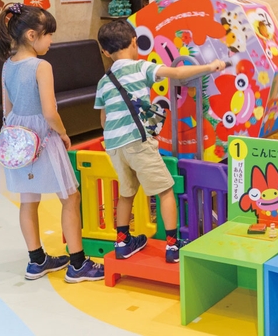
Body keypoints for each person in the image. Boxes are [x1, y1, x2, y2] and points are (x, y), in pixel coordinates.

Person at [95, 19, 226, 263]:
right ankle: (173, 246)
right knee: (165, 191)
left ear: (105, 51)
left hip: (113, 145)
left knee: (126, 193)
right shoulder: (140, 67)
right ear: (134, 42)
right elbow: (176, 73)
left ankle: (122, 242)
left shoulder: (104, 81)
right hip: (137, 142)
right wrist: (210, 66)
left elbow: (103, 120)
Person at [0, 3, 104, 283]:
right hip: (43, 136)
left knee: (28, 201)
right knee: (70, 197)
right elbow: (49, 112)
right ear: (32, 35)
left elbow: (7, 108)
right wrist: (64, 133)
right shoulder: (41, 66)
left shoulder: (7, 65)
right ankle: (78, 264)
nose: (51, 41)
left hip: (19, 138)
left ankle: (37, 260)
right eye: (49, 35)